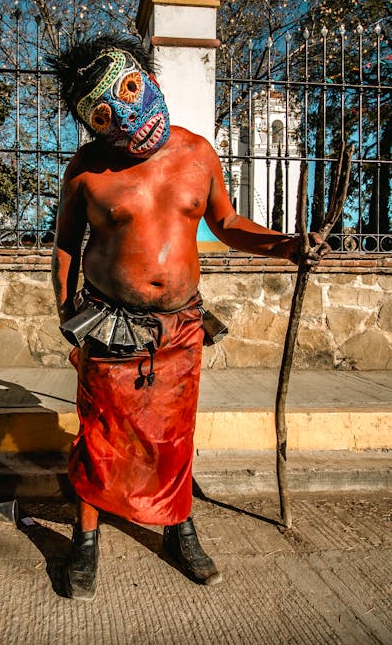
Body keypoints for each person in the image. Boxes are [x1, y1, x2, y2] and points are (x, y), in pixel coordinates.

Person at [51, 34, 328, 601]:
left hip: (180, 328)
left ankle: (180, 529)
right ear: (91, 123)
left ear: (148, 77)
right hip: (107, 324)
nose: (125, 113)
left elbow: (227, 225)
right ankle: (84, 539)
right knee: (102, 436)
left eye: (131, 88)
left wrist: (288, 245)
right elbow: (65, 248)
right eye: (104, 113)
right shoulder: (85, 171)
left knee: (174, 439)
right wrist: (67, 322)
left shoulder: (198, 153)